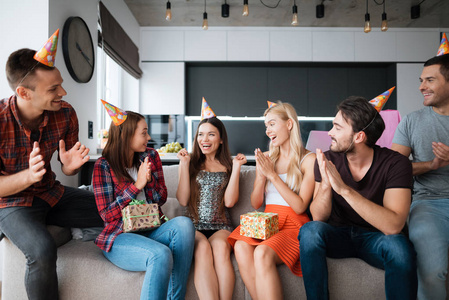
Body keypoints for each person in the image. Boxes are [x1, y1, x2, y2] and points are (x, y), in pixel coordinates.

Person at [0, 45, 104, 299]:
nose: (63, 92)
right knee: (42, 249)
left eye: (61, 84)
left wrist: (69, 166)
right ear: (23, 92)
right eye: (53, 89)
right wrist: (28, 176)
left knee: (115, 207)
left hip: (51, 193)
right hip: (12, 202)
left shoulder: (65, 113)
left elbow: (65, 165)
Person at [299, 96, 417, 300]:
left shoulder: (396, 164)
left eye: (337, 127)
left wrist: (344, 190)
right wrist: (327, 184)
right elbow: (318, 217)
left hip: (376, 238)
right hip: (337, 235)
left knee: (399, 247)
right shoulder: (327, 160)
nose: (329, 133)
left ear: (359, 137)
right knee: (309, 231)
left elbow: (394, 226)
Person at [92, 106, 195, 300]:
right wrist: (137, 185)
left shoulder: (151, 156)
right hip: (119, 236)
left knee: (184, 223)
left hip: (152, 228)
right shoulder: (103, 166)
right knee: (160, 254)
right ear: (126, 135)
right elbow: (107, 214)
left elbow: (161, 198)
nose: (148, 138)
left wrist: (148, 182)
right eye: (144, 133)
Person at [227, 101, 315, 300]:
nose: (268, 130)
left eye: (272, 124)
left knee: (262, 253)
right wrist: (261, 176)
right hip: (267, 223)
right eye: (266, 126)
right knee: (240, 246)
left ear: (289, 124)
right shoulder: (266, 157)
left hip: (293, 224)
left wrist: (273, 175)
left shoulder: (308, 160)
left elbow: (300, 206)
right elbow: (256, 203)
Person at [391, 53, 449, 300]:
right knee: (432, 271)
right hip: (428, 202)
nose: (421, 87)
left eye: (430, 80)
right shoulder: (412, 121)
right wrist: (431, 164)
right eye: (421, 80)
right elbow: (394, 168)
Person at [176, 107, 247, 300]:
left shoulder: (229, 166)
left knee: (220, 249)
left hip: (221, 226)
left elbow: (230, 202)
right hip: (194, 226)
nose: (204, 140)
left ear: (221, 139)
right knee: (202, 249)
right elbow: (182, 200)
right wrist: (183, 165)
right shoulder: (190, 164)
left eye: (211, 134)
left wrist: (237, 169)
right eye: (201, 134)